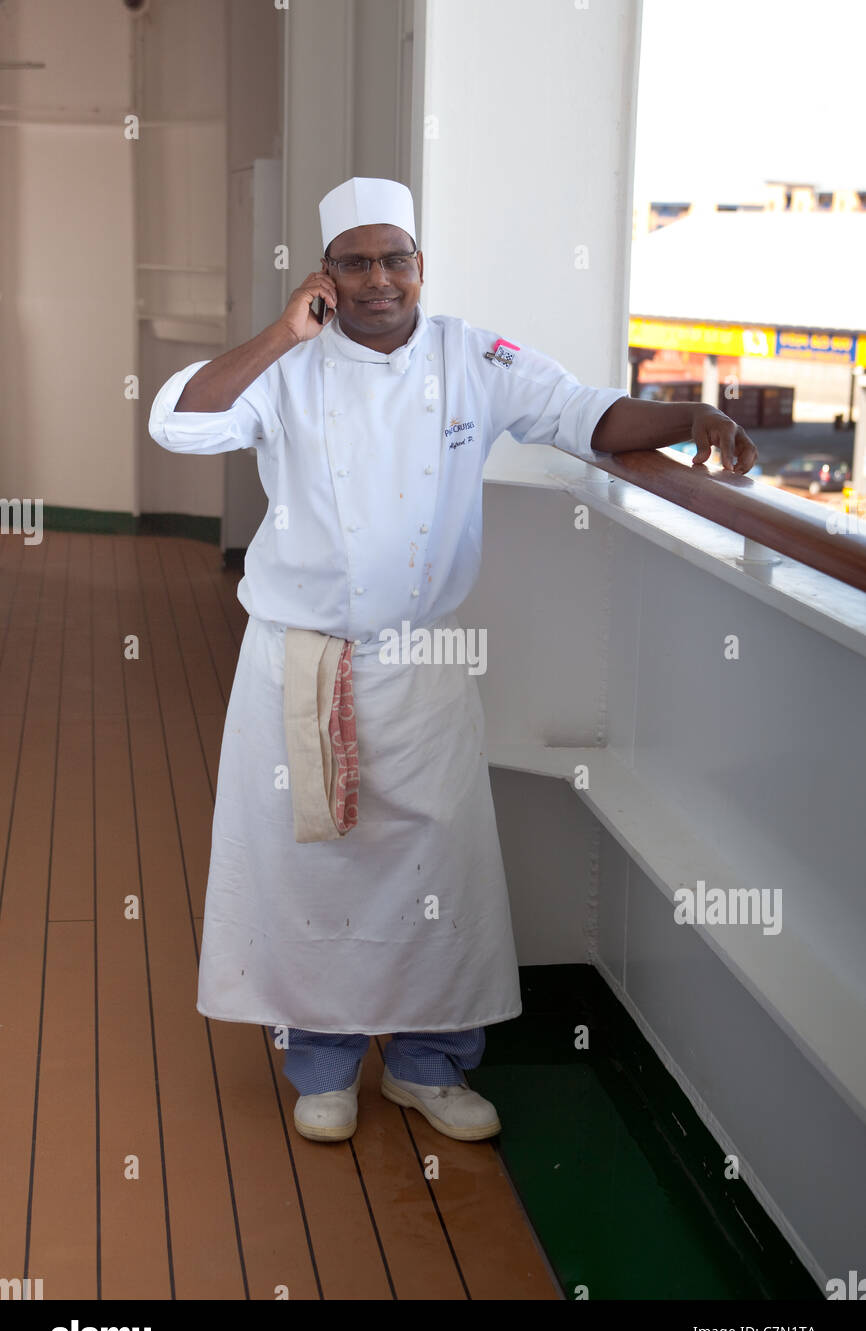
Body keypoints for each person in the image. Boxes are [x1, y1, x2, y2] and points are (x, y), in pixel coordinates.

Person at [149, 177, 758, 1145]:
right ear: (326, 277)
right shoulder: (289, 367)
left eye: (395, 258)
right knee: (315, 872)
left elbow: (582, 416)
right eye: (354, 262)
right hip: (298, 661)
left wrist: (687, 422)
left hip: (421, 662)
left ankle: (427, 1069)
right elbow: (176, 421)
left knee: (438, 867)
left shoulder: (473, 357)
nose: (378, 280)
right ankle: (325, 1063)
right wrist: (279, 335)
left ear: (420, 267)